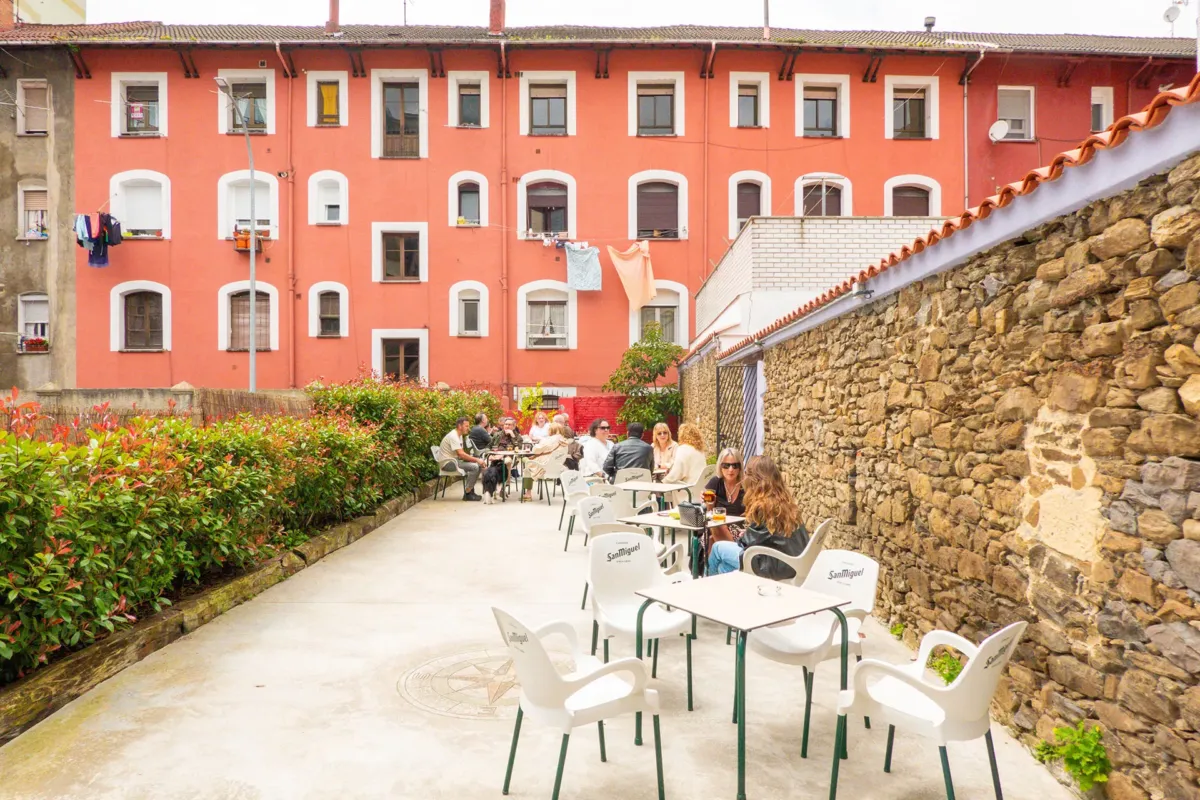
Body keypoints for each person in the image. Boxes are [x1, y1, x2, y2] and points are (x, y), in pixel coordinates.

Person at [708, 456, 809, 578]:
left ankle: (708, 588)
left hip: (771, 565)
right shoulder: (786, 501)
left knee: (718, 548)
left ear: (753, 479)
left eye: (745, 473)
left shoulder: (762, 506)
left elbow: (745, 544)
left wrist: (744, 536)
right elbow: (768, 534)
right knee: (723, 567)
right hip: (793, 562)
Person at [704, 447, 746, 542]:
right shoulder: (715, 483)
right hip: (717, 528)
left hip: (739, 530)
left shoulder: (746, 486)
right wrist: (709, 504)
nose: (730, 469)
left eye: (735, 465)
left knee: (713, 537)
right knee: (710, 536)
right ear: (720, 466)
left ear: (740, 468)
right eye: (726, 465)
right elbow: (709, 512)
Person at [439, 416, 485, 501]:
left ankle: (470, 491)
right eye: (466, 426)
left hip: (455, 461)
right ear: (460, 426)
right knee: (475, 467)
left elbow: (461, 454)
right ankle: (468, 494)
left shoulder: (459, 436)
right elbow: (461, 454)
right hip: (448, 464)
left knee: (476, 465)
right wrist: (477, 460)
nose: (468, 428)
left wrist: (476, 460)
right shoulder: (453, 436)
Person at [522, 422, 569, 501]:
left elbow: (535, 450)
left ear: (552, 430)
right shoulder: (565, 442)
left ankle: (528, 494)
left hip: (544, 468)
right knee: (529, 463)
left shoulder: (548, 440)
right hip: (557, 470)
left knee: (526, 463)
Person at [664, 423, 708, 488]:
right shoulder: (700, 450)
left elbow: (677, 473)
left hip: (688, 489)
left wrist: (664, 480)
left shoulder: (683, 449)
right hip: (701, 488)